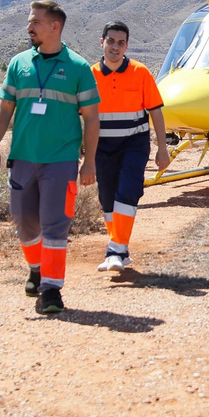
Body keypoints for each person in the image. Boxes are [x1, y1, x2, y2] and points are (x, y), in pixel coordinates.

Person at [0, 1, 101, 314]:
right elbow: (4, 108)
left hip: (60, 161)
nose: (29, 27)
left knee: (55, 225)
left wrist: (89, 161)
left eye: (35, 21)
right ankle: (36, 268)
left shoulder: (78, 68)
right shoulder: (19, 63)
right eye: (29, 21)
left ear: (55, 26)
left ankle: (51, 290)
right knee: (25, 224)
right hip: (22, 157)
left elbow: (92, 118)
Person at [90, 21, 171, 271]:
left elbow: (155, 112)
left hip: (134, 143)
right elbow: (81, 116)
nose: (116, 46)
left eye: (121, 42)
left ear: (127, 46)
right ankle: (121, 249)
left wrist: (162, 147)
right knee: (107, 197)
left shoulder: (140, 72)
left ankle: (114, 250)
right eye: (111, 41)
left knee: (128, 189)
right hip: (103, 146)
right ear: (102, 42)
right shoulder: (89, 75)